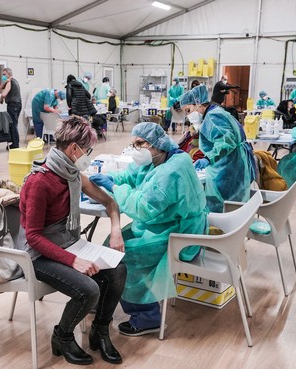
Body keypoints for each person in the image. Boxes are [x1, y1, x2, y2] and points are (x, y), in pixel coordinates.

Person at [19, 116, 126, 365]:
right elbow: (33, 237)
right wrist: (74, 260)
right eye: (88, 150)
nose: (90, 155)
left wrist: (116, 228)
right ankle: (63, 337)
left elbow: (110, 202)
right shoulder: (40, 181)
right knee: (89, 290)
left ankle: (100, 331)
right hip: (38, 255)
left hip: (68, 243)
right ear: (74, 148)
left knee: (118, 270)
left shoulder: (73, 174)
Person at [89, 122, 206, 336]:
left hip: (179, 233)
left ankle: (147, 316)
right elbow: (132, 175)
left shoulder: (172, 170)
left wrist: (113, 188)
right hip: (159, 225)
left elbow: (142, 208)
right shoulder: (158, 158)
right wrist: (112, 178)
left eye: (140, 143)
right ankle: (103, 296)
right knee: (110, 244)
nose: (136, 149)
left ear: (157, 143)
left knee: (126, 256)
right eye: (133, 144)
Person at [180, 85, 256, 213]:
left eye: (188, 110)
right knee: (233, 206)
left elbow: (226, 141)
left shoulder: (213, 117)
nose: (188, 115)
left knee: (223, 206)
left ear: (198, 103)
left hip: (228, 166)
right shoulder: (217, 112)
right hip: (234, 162)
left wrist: (208, 158)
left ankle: (222, 230)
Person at [0, 67, 22, 149]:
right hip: (18, 105)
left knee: (13, 125)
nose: (3, 76)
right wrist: (5, 81)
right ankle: (15, 142)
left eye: (4, 74)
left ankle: (15, 144)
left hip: (13, 105)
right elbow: (1, 88)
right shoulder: (13, 81)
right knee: (14, 124)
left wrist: (1, 99)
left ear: (9, 74)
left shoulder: (10, 82)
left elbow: (4, 94)